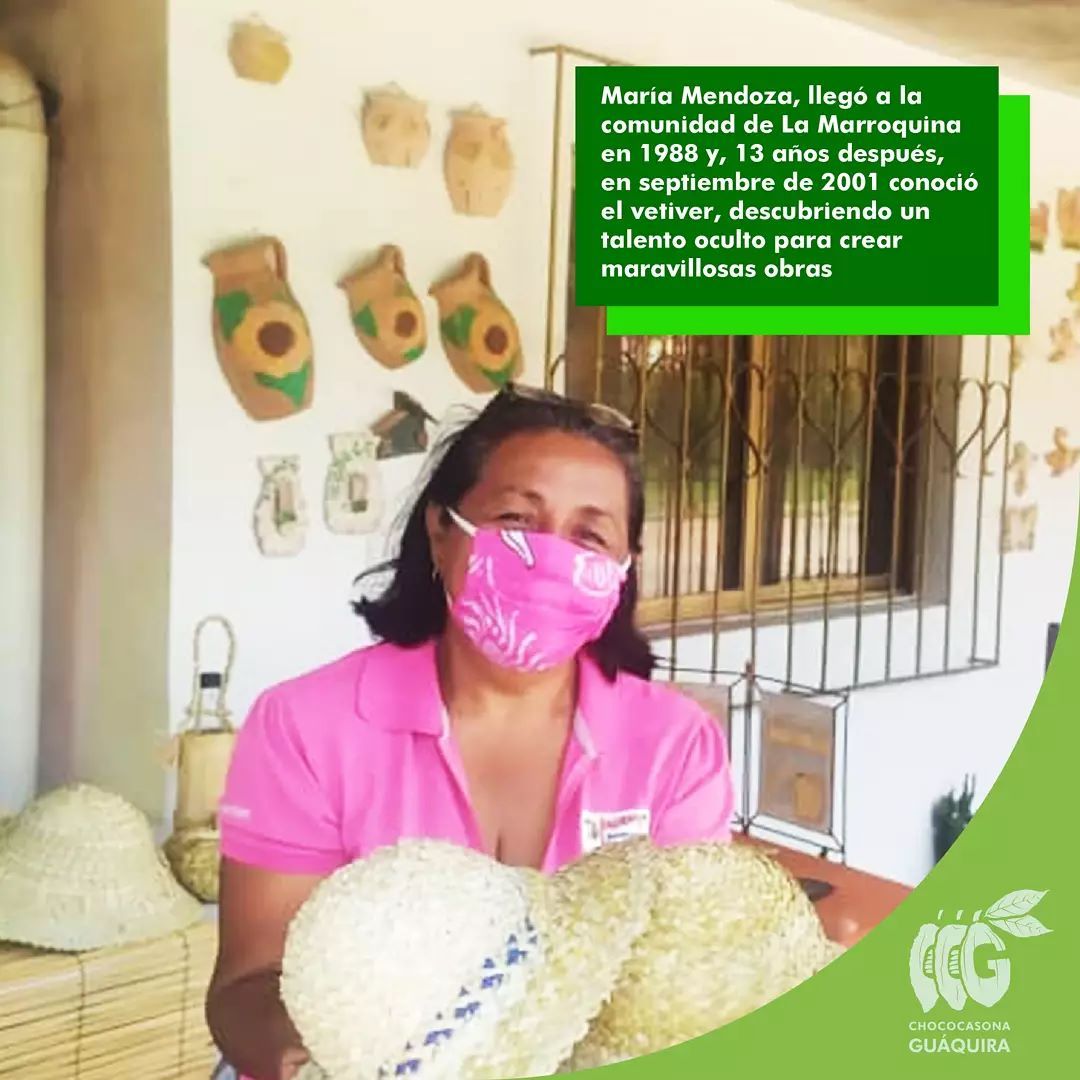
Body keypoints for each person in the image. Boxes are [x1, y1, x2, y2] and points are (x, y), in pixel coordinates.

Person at [206, 384, 735, 1080]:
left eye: (589, 535)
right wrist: (329, 1058)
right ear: (441, 529)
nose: (549, 556)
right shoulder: (307, 726)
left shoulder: (676, 746)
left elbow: (683, 995)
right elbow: (248, 988)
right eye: (517, 518)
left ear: (622, 569)